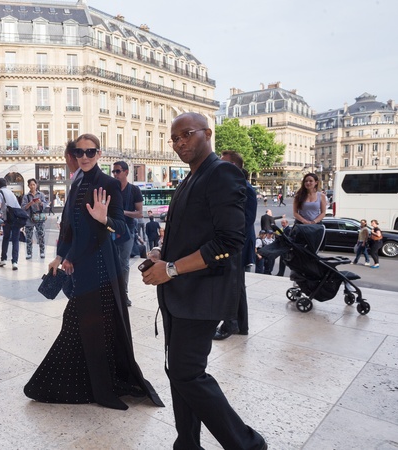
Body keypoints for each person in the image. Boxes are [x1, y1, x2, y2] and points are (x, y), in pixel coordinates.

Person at [141, 112, 267, 450]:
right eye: (174, 138)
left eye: (186, 134)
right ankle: (187, 443)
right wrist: (161, 253)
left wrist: (171, 269)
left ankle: (248, 444)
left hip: (202, 295)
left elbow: (229, 241)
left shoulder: (222, 172)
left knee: (187, 373)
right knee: (179, 371)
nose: (179, 143)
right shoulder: (189, 178)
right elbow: (193, 234)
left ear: (207, 134)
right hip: (180, 294)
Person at [25, 133, 163, 411]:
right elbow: (69, 226)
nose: (84, 157)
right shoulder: (76, 183)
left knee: (93, 324)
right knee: (85, 324)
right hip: (81, 266)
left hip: (101, 266)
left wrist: (104, 219)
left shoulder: (109, 184)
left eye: (90, 152)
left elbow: (121, 227)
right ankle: (91, 382)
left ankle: (103, 387)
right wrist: (61, 256)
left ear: (99, 154)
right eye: (79, 152)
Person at [214, 150, 257, 340]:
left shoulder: (245, 188)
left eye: (223, 163)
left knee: (233, 285)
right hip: (235, 243)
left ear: (232, 166)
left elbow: (247, 220)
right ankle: (241, 325)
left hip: (237, 245)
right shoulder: (235, 186)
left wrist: (230, 242)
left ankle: (230, 324)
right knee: (236, 285)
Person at [111, 161, 143, 307]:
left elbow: (139, 213)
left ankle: (123, 294)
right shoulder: (112, 189)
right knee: (112, 262)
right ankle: (112, 293)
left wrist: (123, 212)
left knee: (123, 263)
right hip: (111, 229)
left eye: (118, 171)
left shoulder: (134, 190)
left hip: (127, 231)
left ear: (126, 172)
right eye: (114, 172)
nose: (115, 174)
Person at [0, 178, 23, 270]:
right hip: (17, 218)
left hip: (7, 219)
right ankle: (15, 262)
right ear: (6, 184)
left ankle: (3, 259)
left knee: (6, 238)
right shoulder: (11, 192)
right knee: (15, 240)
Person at [21, 178, 48, 259]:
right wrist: (30, 203)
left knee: (41, 235)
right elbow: (23, 208)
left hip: (39, 218)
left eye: (34, 184)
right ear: (28, 186)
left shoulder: (41, 194)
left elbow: (45, 205)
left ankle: (42, 252)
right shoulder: (26, 196)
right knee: (29, 237)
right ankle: (29, 253)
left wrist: (40, 203)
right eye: (31, 185)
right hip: (29, 219)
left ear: (36, 185)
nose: (32, 186)